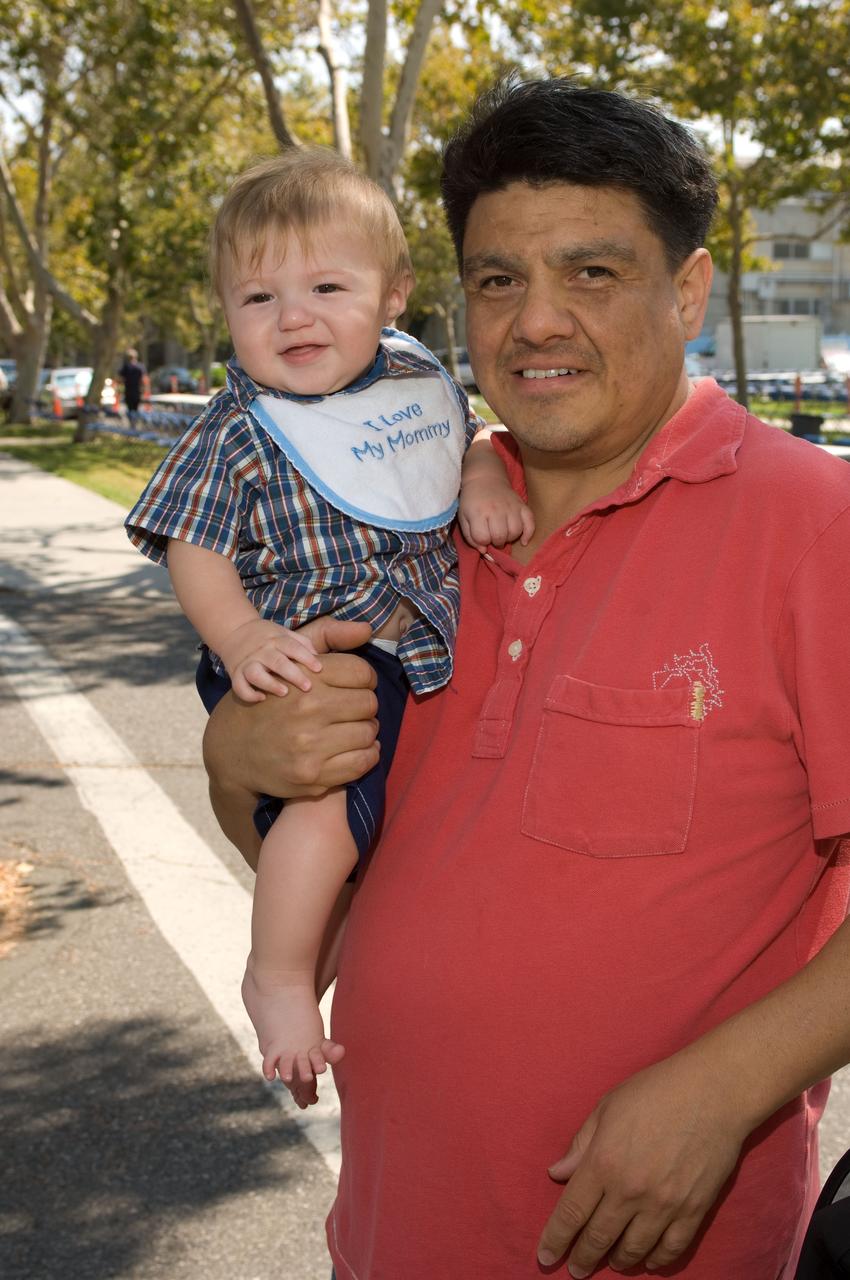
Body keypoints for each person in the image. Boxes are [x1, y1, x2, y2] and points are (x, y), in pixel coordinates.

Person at [201, 78, 850, 1279]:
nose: (536, 320)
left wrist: (725, 1088)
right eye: (499, 280)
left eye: (592, 273)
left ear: (690, 291)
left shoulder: (817, 526)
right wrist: (235, 765)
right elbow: (320, 851)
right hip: (390, 1235)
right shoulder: (395, 516)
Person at [125, 149, 531, 1094]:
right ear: (225, 311)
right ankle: (277, 975)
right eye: (257, 298)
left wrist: (478, 479)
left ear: (393, 296)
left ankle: (319, 960)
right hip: (290, 647)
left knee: (374, 822)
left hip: (402, 645)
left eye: (325, 286)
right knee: (328, 810)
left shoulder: (413, 386)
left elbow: (464, 438)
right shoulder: (243, 424)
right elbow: (194, 542)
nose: (292, 315)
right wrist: (239, 640)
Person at [118, 348, 146, 420]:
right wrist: (143, 390)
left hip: (129, 391)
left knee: (130, 410)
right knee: (136, 410)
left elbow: (120, 379)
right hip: (137, 391)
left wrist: (119, 390)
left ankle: (132, 424)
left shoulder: (126, 367)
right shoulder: (140, 367)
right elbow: (143, 380)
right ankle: (134, 423)